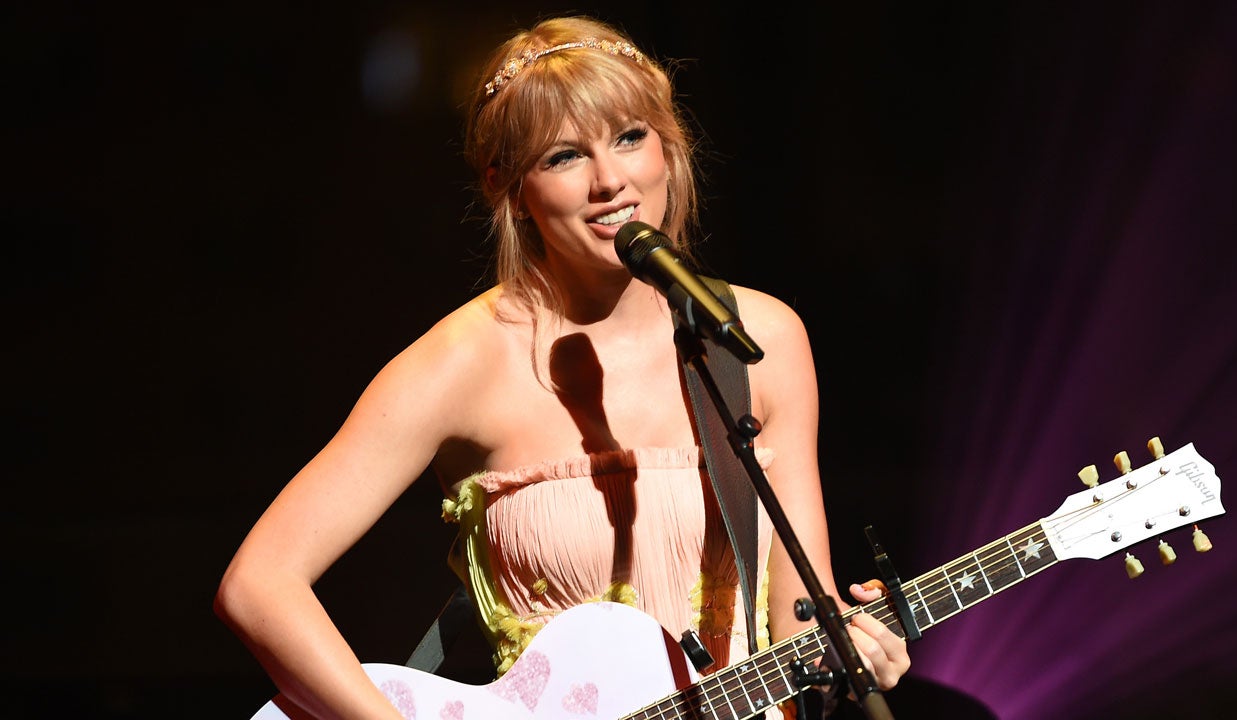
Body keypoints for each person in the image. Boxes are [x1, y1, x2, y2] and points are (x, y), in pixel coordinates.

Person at [214, 14, 910, 720]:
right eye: (563, 157)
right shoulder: (465, 360)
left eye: (631, 138)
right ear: (510, 188)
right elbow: (259, 584)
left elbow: (800, 627)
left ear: (669, 150)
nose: (611, 180)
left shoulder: (756, 338)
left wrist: (850, 655)